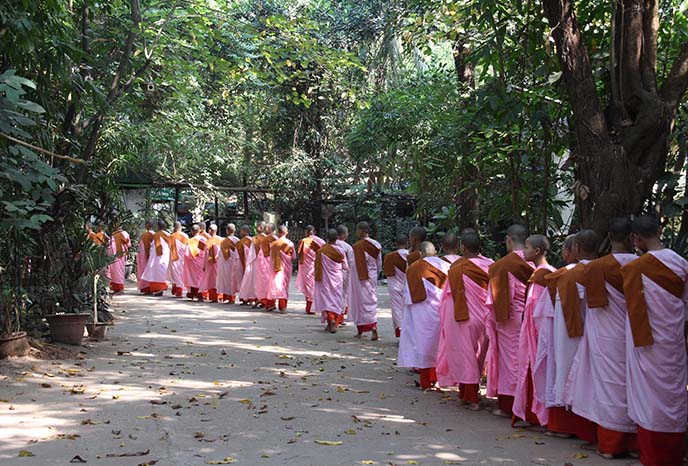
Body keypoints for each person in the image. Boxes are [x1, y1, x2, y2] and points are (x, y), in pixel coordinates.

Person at [566, 218, 638, 459]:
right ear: (632, 238)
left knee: (609, 388)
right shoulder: (645, 266)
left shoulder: (595, 268)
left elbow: (570, 277)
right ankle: (636, 442)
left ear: (610, 237)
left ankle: (610, 445)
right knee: (637, 386)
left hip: (607, 335)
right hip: (640, 334)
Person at [621, 215, 688, 466]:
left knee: (648, 395)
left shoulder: (634, 268)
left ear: (635, 239)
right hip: (673, 339)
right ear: (660, 230)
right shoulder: (681, 263)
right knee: (673, 393)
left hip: (645, 341)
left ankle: (652, 455)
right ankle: (674, 454)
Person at [542, 230, 600, 442]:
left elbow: (551, 315)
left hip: (569, 333)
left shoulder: (565, 276)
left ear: (574, 249)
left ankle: (565, 425)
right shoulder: (606, 270)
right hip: (603, 335)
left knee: (564, 371)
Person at [436, 232, 492, 409]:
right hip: (486, 315)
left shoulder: (458, 267)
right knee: (481, 353)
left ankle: (471, 397)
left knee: (466, 355)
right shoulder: (491, 265)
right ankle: (471, 391)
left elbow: (448, 296)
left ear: (463, 248)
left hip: (465, 317)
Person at [485, 224, 534, 417]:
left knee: (511, 360)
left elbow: (498, 300)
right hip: (533, 317)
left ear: (508, 240)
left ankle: (512, 405)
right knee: (530, 359)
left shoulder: (503, 265)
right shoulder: (537, 262)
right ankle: (529, 404)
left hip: (511, 318)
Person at [531, 234, 577, 436]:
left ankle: (561, 426)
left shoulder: (558, 277)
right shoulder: (602, 271)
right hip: (599, 336)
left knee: (560, 374)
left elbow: (542, 315)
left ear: (569, 251)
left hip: (563, 337)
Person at [512, 235, 556, 427]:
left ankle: (536, 414)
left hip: (537, 333)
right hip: (540, 332)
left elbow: (536, 310)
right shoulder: (548, 271)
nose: (524, 251)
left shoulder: (541, 275)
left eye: (527, 247)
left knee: (533, 371)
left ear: (537, 251)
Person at [398, 241, 451, 389]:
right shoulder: (447, 266)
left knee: (423, 345)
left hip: (422, 312)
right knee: (440, 344)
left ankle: (426, 382)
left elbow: (408, 296)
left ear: (420, 254)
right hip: (443, 310)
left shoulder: (414, 268)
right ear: (435, 252)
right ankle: (441, 378)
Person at [349, 222, 382, 340]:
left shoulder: (356, 247)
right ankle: (373, 327)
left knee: (360, 303)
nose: (356, 232)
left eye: (357, 230)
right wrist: (376, 275)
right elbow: (379, 263)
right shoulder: (376, 245)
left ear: (362, 231)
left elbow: (352, 265)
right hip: (371, 276)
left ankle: (360, 331)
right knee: (371, 302)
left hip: (359, 278)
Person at [314, 229, 349, 333]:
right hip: (337, 278)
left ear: (327, 238)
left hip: (325, 279)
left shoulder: (321, 251)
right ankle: (334, 321)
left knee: (327, 300)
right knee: (336, 299)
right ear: (336, 238)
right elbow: (345, 266)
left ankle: (331, 320)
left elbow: (316, 266)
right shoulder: (341, 251)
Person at [295, 225, 326, 314]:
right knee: (316, 286)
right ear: (314, 231)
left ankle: (310, 307)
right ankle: (315, 306)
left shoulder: (303, 242)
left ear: (306, 232)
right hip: (318, 265)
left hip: (307, 267)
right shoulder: (321, 241)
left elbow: (300, 256)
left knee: (309, 286)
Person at [383, 234, 410, 337]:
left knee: (396, 309)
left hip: (394, 286)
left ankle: (400, 330)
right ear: (407, 243)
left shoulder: (389, 257)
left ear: (395, 244)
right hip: (408, 286)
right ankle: (407, 332)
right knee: (408, 309)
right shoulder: (411, 256)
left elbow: (388, 273)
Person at [266, 225, 296, 312]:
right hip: (286, 268)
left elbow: (270, 256)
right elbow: (293, 257)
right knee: (284, 286)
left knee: (273, 285)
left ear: (278, 233)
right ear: (286, 233)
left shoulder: (273, 244)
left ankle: (271, 304)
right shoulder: (290, 244)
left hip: (275, 267)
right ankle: (282, 306)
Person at [141, 219, 171, 296]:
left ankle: (158, 289)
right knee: (162, 272)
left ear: (158, 227)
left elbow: (153, 247)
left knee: (156, 273)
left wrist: (150, 256)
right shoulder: (168, 235)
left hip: (157, 257)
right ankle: (161, 288)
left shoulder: (156, 235)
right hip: (166, 256)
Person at [240, 222, 265, 306]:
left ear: (261, 227)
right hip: (265, 264)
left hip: (256, 262)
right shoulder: (267, 238)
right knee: (263, 281)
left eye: (258, 226)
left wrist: (248, 264)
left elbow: (251, 254)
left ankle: (259, 299)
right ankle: (262, 300)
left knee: (256, 281)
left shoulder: (255, 239)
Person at [336, 224, 355, 320]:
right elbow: (351, 263)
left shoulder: (329, 246)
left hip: (331, 274)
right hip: (344, 273)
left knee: (332, 294)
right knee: (343, 293)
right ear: (343, 234)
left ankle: (332, 315)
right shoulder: (348, 247)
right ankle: (340, 315)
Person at [183, 224, 207, 300]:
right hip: (202, 261)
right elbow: (206, 251)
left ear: (192, 232)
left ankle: (194, 293)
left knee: (193, 278)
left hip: (193, 262)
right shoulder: (203, 240)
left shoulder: (190, 241)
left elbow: (187, 254)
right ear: (200, 230)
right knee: (200, 278)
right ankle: (200, 294)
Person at [256, 223, 277, 309]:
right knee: (264, 283)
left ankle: (271, 303)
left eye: (267, 228)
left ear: (272, 229)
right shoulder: (264, 239)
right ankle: (265, 301)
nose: (265, 229)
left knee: (271, 283)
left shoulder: (275, 239)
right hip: (264, 263)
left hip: (271, 263)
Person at [217, 223, 239, 304]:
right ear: (235, 230)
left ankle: (228, 297)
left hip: (226, 263)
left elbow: (221, 255)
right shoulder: (238, 241)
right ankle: (232, 297)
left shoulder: (224, 242)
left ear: (227, 231)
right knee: (232, 280)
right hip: (235, 262)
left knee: (227, 280)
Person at [107, 221, 131, 294]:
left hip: (120, 255)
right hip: (112, 256)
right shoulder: (113, 234)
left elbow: (128, 244)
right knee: (113, 272)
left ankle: (120, 289)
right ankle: (115, 288)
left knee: (119, 271)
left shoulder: (123, 233)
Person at [200, 224, 221, 303]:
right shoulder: (221, 240)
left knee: (212, 280)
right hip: (219, 263)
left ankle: (214, 297)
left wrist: (204, 265)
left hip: (211, 263)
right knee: (217, 279)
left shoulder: (208, 241)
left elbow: (204, 253)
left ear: (209, 231)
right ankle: (220, 296)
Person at [168, 221, 188, 298]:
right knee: (181, 273)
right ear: (181, 227)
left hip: (174, 257)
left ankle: (179, 291)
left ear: (174, 227)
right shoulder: (185, 236)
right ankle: (177, 288)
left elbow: (169, 247)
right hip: (183, 256)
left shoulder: (171, 236)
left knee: (176, 274)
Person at [237, 225, 255, 305]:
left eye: (241, 231)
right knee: (251, 282)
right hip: (252, 264)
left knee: (244, 282)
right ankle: (251, 298)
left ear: (244, 231)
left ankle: (245, 299)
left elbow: (240, 255)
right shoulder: (253, 240)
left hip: (243, 264)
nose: (240, 233)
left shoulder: (241, 242)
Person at [136, 220, 155, 294]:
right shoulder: (155, 234)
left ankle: (146, 288)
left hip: (144, 257)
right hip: (152, 256)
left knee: (144, 271)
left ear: (147, 225)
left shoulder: (145, 235)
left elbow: (143, 247)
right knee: (151, 271)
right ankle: (152, 288)